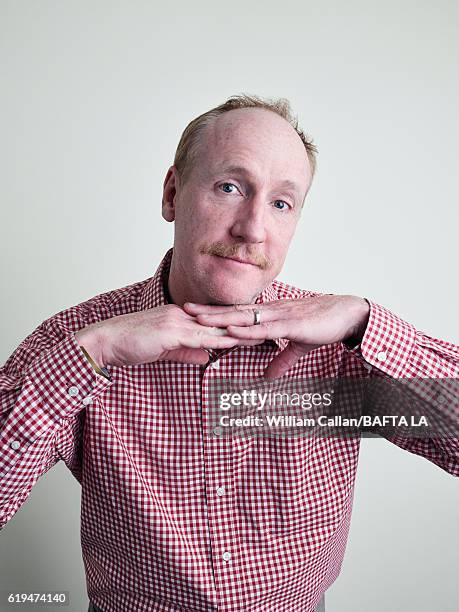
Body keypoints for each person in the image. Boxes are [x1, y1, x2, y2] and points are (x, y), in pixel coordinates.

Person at [1, 95, 457, 612]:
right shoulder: (80, 339)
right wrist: (94, 352)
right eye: (229, 187)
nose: (253, 229)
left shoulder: (340, 346)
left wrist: (364, 322)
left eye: (281, 203)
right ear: (173, 193)